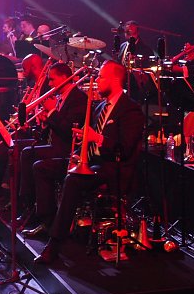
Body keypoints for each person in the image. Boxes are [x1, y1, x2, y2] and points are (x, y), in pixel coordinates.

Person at [34, 60, 145, 265]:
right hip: (91, 161)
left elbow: (125, 148)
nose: (97, 82)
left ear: (114, 79)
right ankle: (49, 222)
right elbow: (88, 137)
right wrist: (77, 151)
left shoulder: (131, 110)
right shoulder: (100, 106)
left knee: (73, 180)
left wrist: (97, 138)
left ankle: (55, 244)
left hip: (113, 167)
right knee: (42, 167)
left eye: (101, 77)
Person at [17, 62, 88, 230]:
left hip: (66, 149)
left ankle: (38, 212)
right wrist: (43, 122)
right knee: (19, 147)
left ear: (64, 78)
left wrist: (51, 113)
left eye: (52, 80)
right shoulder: (60, 97)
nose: (49, 84)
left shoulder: (79, 98)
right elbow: (54, 127)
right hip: (53, 144)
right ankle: (27, 204)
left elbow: (68, 130)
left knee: (29, 155)